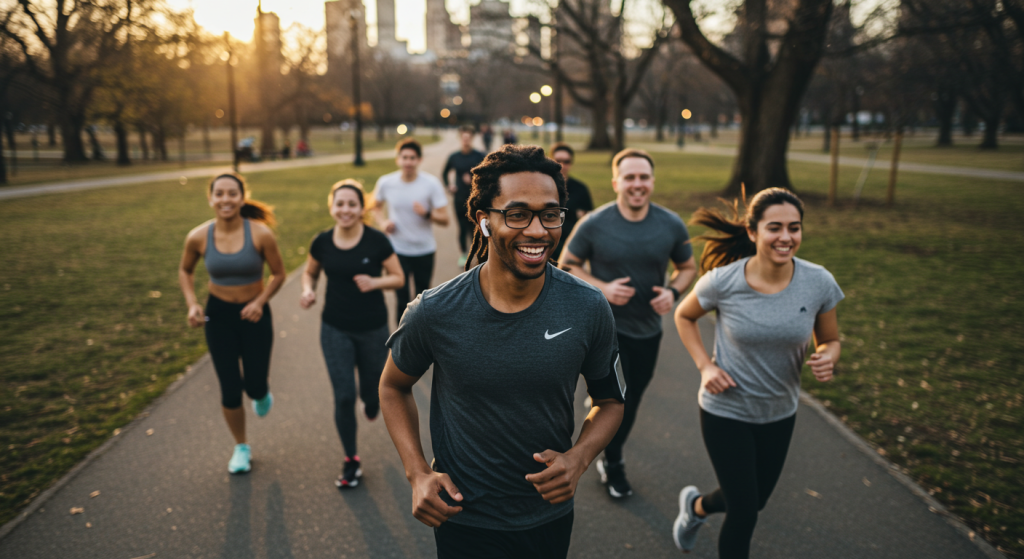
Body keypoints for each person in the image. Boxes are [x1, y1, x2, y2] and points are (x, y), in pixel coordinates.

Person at [379, 145, 625, 559]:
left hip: (548, 516)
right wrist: (417, 472)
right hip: (464, 518)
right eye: (517, 214)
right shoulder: (435, 311)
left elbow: (610, 401)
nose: (537, 230)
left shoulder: (587, 307)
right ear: (484, 220)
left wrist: (579, 458)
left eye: (550, 214)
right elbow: (392, 387)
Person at [671, 188, 844, 558]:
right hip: (725, 410)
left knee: (753, 500)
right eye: (775, 227)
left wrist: (828, 356)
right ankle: (702, 511)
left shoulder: (818, 282)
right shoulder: (723, 281)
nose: (786, 237)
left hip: (779, 412)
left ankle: (696, 507)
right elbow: (683, 316)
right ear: (753, 232)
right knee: (745, 511)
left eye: (794, 228)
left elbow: (830, 339)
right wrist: (705, 366)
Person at [559, 148, 697, 498]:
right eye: (630, 177)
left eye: (644, 177)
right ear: (616, 182)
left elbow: (688, 268)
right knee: (619, 399)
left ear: (652, 181)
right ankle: (612, 460)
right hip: (605, 330)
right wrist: (603, 288)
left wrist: (673, 291)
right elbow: (567, 265)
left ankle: (601, 418)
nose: (637, 184)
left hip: (647, 330)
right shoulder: (594, 223)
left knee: (631, 399)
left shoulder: (670, 224)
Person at [299, 180, 405, 489]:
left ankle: (370, 402)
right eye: (340, 204)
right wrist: (308, 290)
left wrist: (375, 282)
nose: (345, 210)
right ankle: (351, 459)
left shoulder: (376, 242)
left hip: (373, 328)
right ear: (332, 206)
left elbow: (398, 278)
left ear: (362, 209)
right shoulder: (321, 242)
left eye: (352, 204)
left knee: (372, 389)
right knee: (344, 396)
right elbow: (310, 272)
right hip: (334, 327)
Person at [178, 172, 286, 474]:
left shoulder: (260, 234)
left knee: (254, 385)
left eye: (232, 194)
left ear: (242, 197)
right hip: (219, 316)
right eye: (220, 194)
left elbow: (279, 274)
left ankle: (261, 393)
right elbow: (185, 271)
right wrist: (192, 304)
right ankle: (241, 446)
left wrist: (260, 302)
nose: (226, 199)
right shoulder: (198, 237)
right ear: (211, 198)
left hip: (254, 315)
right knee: (229, 387)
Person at [373, 138, 450, 325]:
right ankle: (400, 343)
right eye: (404, 157)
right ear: (397, 159)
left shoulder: (430, 184)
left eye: (412, 158)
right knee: (401, 299)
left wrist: (427, 213)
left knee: (422, 300)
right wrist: (383, 223)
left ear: (419, 160)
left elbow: (445, 219)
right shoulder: (386, 182)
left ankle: (421, 341)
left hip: (424, 250)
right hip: (397, 251)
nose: (408, 162)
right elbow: (375, 206)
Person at [442, 126, 486, 267]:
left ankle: (478, 254)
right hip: (459, 198)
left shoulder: (479, 156)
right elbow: (445, 173)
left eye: (468, 137)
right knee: (461, 228)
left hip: (476, 200)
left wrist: (474, 179)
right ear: (460, 138)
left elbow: (487, 175)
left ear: (472, 138)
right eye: (463, 137)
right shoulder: (454, 157)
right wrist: (450, 186)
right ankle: (463, 254)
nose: (466, 140)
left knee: (476, 228)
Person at [549, 143, 593, 260]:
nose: (562, 165)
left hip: (571, 244)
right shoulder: (541, 188)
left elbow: (588, 221)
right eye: (558, 161)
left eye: (566, 161)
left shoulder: (581, 189)